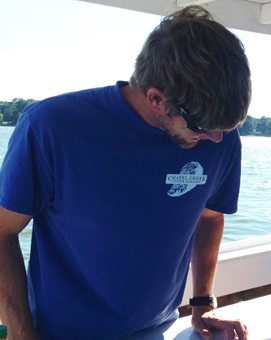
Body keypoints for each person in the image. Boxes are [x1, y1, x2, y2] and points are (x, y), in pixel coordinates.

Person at [0, 6, 251, 340]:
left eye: (226, 128)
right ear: (157, 99)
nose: (216, 138)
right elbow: (2, 232)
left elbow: (209, 217)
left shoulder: (220, 137)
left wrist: (203, 302)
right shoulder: (51, 127)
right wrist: (22, 336)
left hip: (156, 327)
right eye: (204, 128)